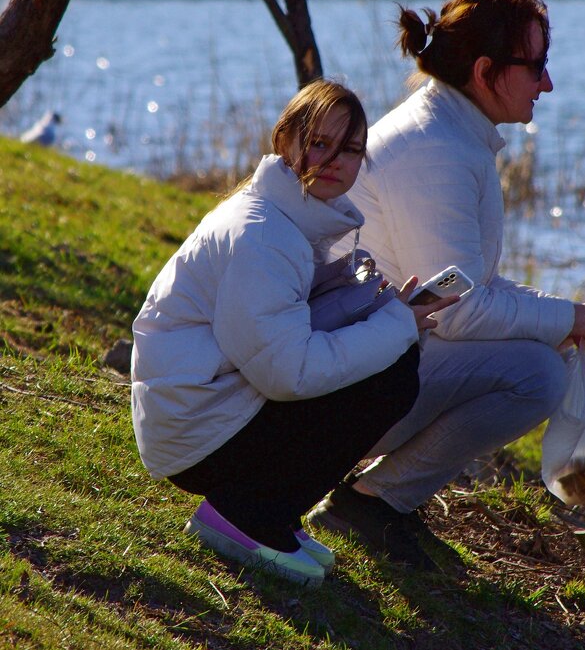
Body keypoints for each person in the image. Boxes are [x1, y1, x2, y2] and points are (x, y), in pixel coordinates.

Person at [308, 0, 585, 566]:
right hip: (330, 400)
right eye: (536, 67)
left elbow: (457, 289)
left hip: (355, 370)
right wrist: (572, 318)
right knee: (534, 374)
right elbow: (459, 312)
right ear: (486, 71)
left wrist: (563, 321)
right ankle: (374, 503)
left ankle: (380, 500)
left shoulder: (450, 134)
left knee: (542, 352)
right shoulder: (435, 151)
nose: (547, 84)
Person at [130, 79, 454, 585]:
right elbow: (289, 373)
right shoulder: (262, 234)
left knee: (392, 360)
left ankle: (271, 509)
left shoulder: (289, 218)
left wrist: (377, 307)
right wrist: (393, 325)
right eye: (319, 143)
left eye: (350, 149)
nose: (334, 161)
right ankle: (244, 515)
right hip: (196, 430)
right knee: (389, 377)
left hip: (207, 406)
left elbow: (284, 331)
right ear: (285, 141)